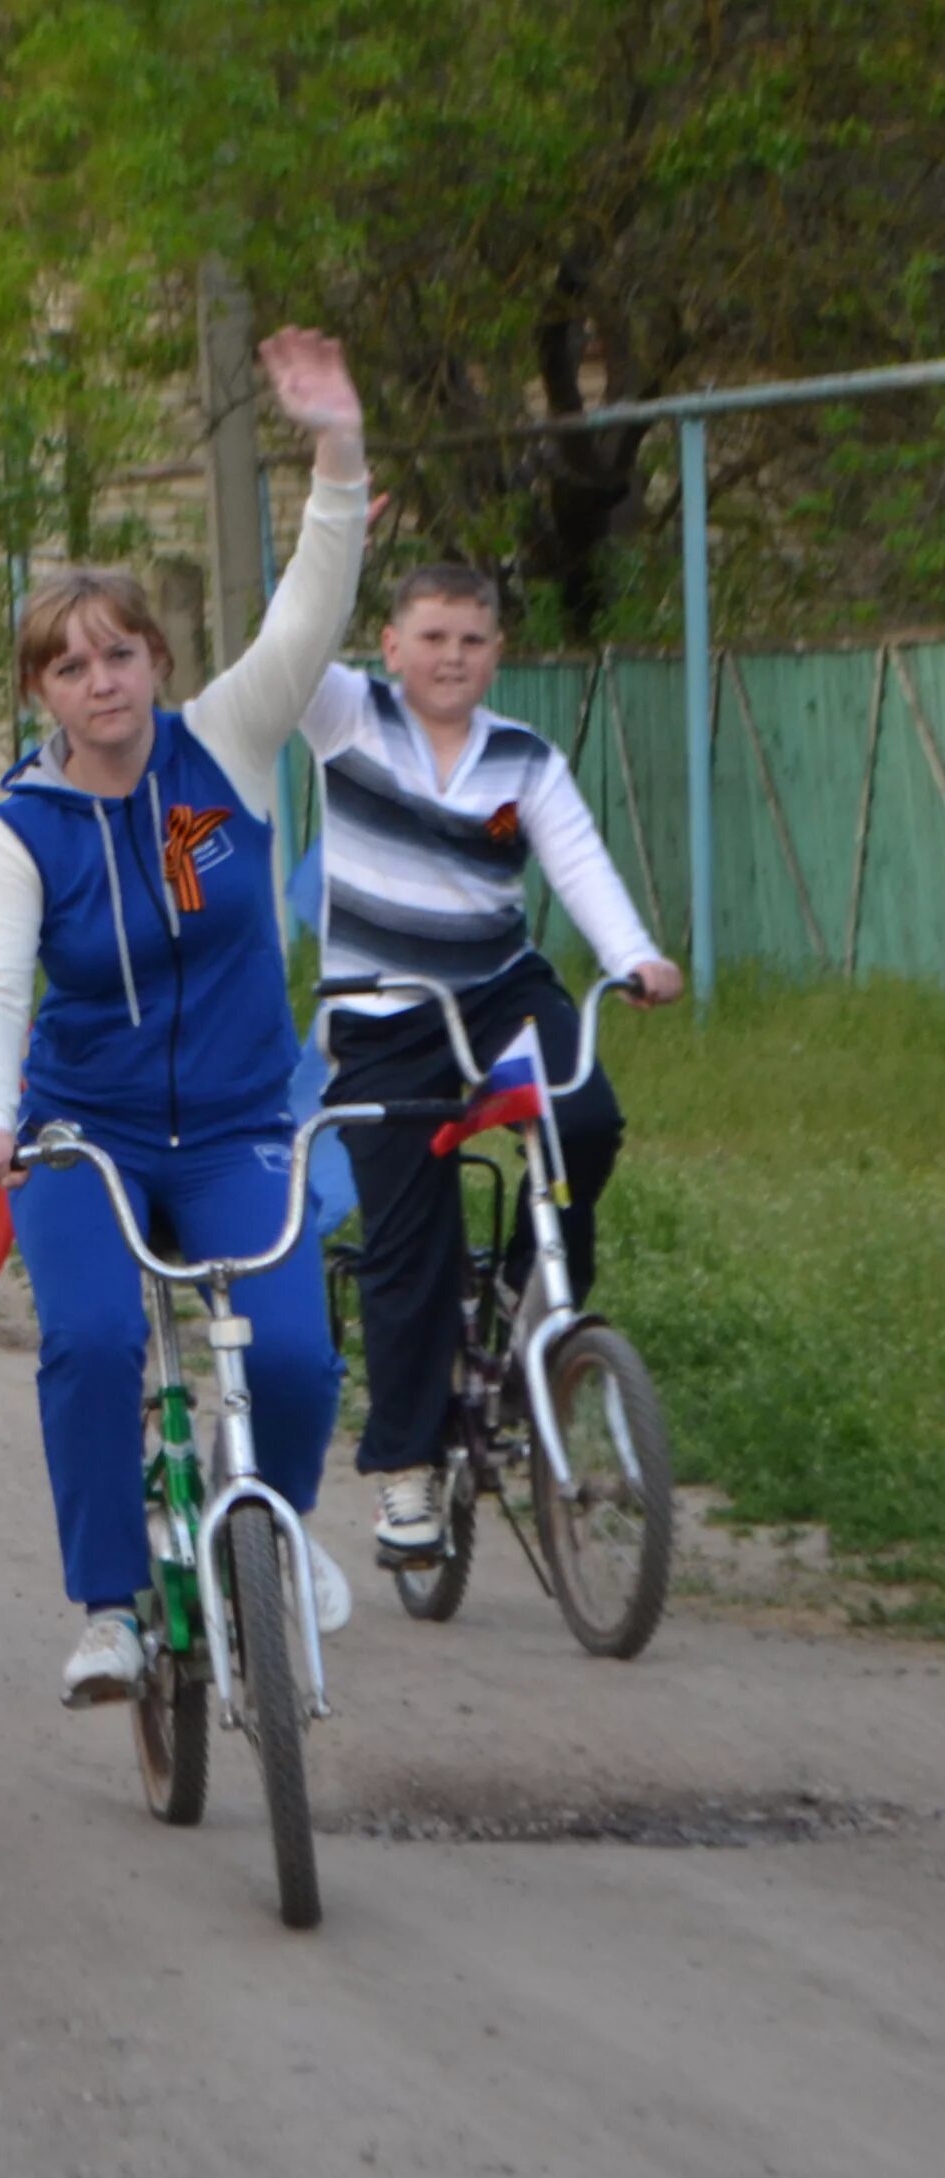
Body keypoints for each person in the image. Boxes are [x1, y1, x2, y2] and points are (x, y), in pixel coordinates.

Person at [0, 328, 369, 1709]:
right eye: (70, 667)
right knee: (90, 1341)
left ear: (157, 658)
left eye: (119, 654)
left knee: (294, 1356)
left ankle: (275, 1530)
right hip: (89, 1130)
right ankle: (109, 1609)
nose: (102, 682)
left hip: (241, 1120)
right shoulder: (23, 830)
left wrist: (337, 446)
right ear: (42, 692)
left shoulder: (227, 745)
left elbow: (311, 607)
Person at [302, 564, 683, 1560]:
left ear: (498, 653)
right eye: (432, 638)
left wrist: (634, 955)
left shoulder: (523, 758)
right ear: (391, 646)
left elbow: (577, 860)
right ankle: (409, 1472)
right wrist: (335, 538)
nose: (452, 657)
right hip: (384, 1015)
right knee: (409, 1241)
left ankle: (533, 1303)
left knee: (584, 1119)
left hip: (498, 991)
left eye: (472, 640)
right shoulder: (345, 717)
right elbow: (291, 636)